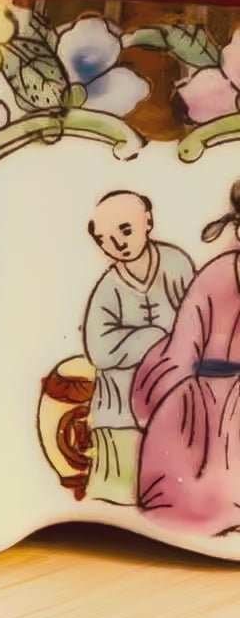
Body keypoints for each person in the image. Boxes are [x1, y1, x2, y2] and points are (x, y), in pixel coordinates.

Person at [133, 180, 240, 535]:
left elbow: (180, 348)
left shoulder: (214, 273)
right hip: (206, 400)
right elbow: (183, 347)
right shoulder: (215, 275)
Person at [82, 191, 193, 505]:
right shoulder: (109, 287)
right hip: (121, 399)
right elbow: (98, 348)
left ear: (148, 222)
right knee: (121, 487)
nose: (118, 244)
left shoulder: (175, 264)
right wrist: (151, 337)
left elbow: (196, 316)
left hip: (173, 387)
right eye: (105, 239)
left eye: (126, 230)